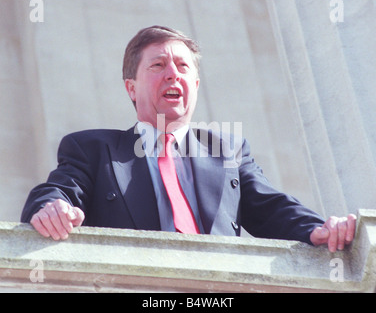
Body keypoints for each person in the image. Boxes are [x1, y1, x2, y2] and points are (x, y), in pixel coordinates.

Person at [21, 25, 356, 253]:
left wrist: (318, 229)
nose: (173, 74)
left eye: (183, 66)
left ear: (194, 86)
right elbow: (58, 191)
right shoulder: (93, 149)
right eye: (158, 65)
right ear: (131, 87)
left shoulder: (228, 151)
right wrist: (52, 208)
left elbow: (272, 207)